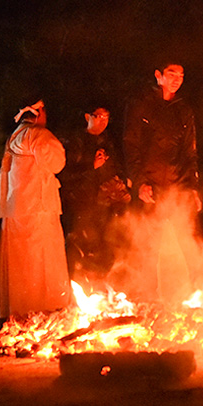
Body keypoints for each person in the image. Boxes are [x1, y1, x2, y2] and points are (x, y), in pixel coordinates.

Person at [121, 62, 203, 304]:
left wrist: (193, 188)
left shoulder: (184, 110)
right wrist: (139, 182)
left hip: (178, 186)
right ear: (158, 75)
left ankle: (200, 299)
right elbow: (131, 146)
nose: (176, 79)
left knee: (189, 241)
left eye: (181, 75)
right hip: (151, 188)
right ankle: (146, 303)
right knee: (148, 245)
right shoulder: (141, 105)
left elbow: (190, 153)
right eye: (171, 74)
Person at [0, 98, 72, 318]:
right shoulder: (37, 135)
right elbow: (57, 162)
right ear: (38, 114)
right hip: (38, 207)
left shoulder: (14, 137)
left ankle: (20, 308)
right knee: (41, 258)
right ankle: (42, 308)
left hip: (16, 206)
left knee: (20, 262)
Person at [61, 105, 130, 281]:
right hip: (81, 204)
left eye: (106, 117)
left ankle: (102, 287)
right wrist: (91, 166)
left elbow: (116, 166)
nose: (103, 121)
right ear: (87, 117)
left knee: (105, 245)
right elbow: (66, 173)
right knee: (81, 246)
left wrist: (121, 180)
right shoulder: (76, 141)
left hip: (103, 204)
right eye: (98, 116)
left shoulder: (107, 141)